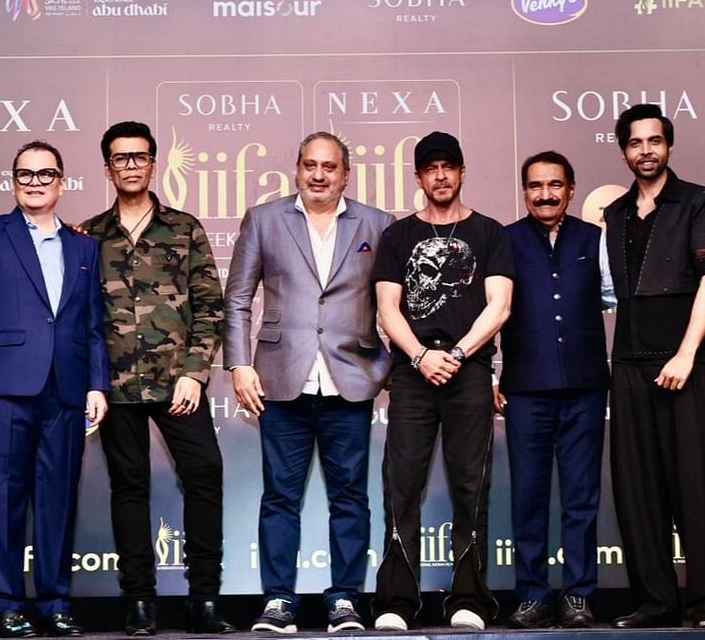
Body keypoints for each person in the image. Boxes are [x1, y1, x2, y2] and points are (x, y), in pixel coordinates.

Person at [224, 132, 393, 633]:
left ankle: (344, 598)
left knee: (350, 497)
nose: (319, 175)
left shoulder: (379, 224)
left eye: (330, 167)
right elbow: (236, 299)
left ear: (345, 173)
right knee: (279, 496)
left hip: (351, 380)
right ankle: (278, 600)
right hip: (280, 379)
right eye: (310, 165)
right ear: (296, 169)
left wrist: (380, 369)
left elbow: (395, 304)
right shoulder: (264, 219)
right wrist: (239, 364)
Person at [0, 140, 109, 638]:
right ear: (13, 181)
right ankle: (4, 603)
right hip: (1, 388)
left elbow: (92, 326)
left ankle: (56, 602)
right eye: (25, 174)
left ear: (62, 182)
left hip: (65, 389)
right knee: (1, 496)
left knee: (58, 498)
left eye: (46, 174)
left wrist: (97, 386)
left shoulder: (84, 246)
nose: (35, 182)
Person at [81, 121, 232, 636]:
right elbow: (79, 319)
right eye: (120, 158)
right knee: (129, 487)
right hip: (116, 386)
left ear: (153, 162)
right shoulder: (87, 236)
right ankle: (139, 601)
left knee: (205, 475)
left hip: (178, 384)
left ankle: (204, 600)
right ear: (108, 168)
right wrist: (93, 382)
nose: (130, 165)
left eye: (139, 156)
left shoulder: (184, 228)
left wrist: (195, 373)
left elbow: (212, 308)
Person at [370, 131, 513, 632]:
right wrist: (420, 357)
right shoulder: (398, 237)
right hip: (411, 376)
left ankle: (468, 599)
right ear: (419, 178)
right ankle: (396, 602)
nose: (440, 176)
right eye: (430, 169)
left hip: (469, 372)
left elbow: (500, 306)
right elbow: (388, 309)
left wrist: (454, 353)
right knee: (401, 485)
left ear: (461, 172)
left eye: (448, 167)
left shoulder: (490, 233)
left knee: (471, 485)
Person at [602, 104, 705, 628]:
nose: (646, 151)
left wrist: (686, 353)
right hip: (629, 365)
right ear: (624, 151)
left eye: (655, 141)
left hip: (685, 364)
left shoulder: (700, 202)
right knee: (638, 492)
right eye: (636, 143)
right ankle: (656, 602)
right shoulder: (614, 214)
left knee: (697, 489)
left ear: (669, 146)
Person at [496, 150, 614, 629]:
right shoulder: (504, 241)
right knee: (528, 495)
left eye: (555, 185)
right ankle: (532, 594)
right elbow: (491, 309)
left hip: (585, 386)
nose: (545, 194)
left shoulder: (595, 239)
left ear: (571, 189)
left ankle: (579, 595)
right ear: (525, 191)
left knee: (582, 496)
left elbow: (611, 299)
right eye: (535, 186)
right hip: (524, 389)